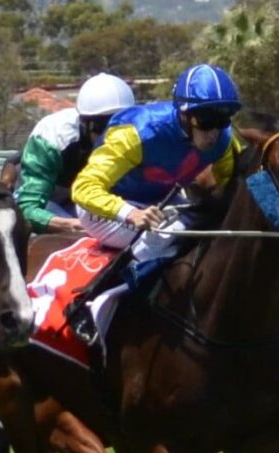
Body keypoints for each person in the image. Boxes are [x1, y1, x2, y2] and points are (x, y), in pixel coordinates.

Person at [62, 63, 242, 344]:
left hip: (158, 202)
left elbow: (232, 185)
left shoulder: (222, 142)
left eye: (224, 119)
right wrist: (129, 213)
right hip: (101, 207)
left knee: (204, 224)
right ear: (184, 115)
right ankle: (90, 301)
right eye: (206, 120)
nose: (214, 133)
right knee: (171, 232)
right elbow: (84, 189)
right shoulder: (137, 134)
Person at [14, 72, 135, 235]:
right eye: (102, 126)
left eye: (121, 125)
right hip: (52, 203)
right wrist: (71, 225)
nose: (112, 135)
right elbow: (27, 209)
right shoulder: (52, 136)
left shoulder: (140, 134)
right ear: (84, 123)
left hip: (96, 204)